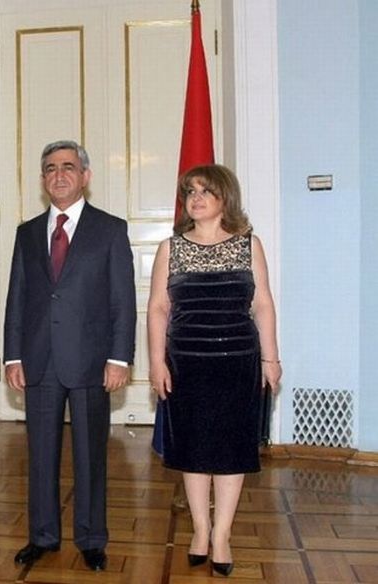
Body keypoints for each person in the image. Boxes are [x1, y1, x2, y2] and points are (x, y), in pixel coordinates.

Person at [4, 140, 136, 572]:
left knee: (90, 455)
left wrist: (119, 357)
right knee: (40, 455)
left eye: (68, 167)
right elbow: (17, 298)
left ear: (85, 176)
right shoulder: (26, 233)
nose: (58, 175)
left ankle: (92, 538)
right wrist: (12, 356)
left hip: (91, 361)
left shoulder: (110, 229)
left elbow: (123, 299)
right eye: (50, 168)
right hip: (39, 360)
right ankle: (42, 535)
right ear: (43, 179)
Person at [147, 164, 282, 577]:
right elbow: (158, 308)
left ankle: (222, 534)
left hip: (238, 362)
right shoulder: (171, 248)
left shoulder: (248, 245)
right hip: (186, 364)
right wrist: (156, 361)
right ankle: (200, 530)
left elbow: (262, 304)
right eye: (190, 192)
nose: (196, 198)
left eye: (206, 191)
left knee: (230, 451)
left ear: (226, 197)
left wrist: (271, 359)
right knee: (193, 450)